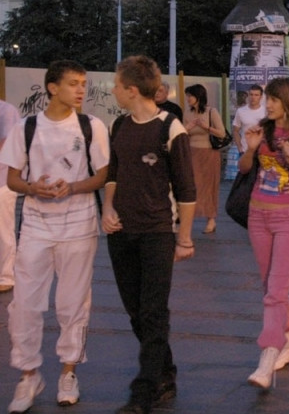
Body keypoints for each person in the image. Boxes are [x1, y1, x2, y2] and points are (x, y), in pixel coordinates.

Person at [1, 61, 110, 412]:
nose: (80, 90)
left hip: (79, 225)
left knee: (72, 303)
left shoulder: (92, 126)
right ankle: (29, 375)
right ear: (52, 87)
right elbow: (13, 178)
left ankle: (68, 371)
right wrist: (33, 188)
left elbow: (103, 174)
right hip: (35, 225)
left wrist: (73, 186)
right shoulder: (26, 127)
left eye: (83, 84)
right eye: (73, 84)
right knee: (25, 305)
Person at [103, 55, 197, 414]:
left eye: (115, 85)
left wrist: (184, 237)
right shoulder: (119, 126)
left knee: (154, 312)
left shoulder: (170, 129)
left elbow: (186, 190)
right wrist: (107, 208)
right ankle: (165, 372)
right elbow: (113, 173)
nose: (112, 90)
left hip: (158, 232)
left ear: (130, 90)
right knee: (136, 313)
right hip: (121, 233)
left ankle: (143, 393)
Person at [238, 78, 289, 391]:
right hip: (257, 215)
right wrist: (251, 148)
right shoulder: (264, 130)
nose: (267, 104)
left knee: (276, 288)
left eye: (273, 99)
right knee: (269, 285)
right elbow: (247, 169)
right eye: (267, 99)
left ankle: (268, 354)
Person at [184, 84, 226, 234]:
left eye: (190, 96)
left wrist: (206, 127)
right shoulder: (187, 113)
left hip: (208, 153)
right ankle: (188, 218)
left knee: (209, 186)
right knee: (192, 186)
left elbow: (221, 133)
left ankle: (211, 219)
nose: (188, 99)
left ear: (199, 97)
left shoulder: (211, 112)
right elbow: (181, 134)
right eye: (187, 96)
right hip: (192, 152)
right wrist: (187, 128)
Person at [0, 98, 21, 293]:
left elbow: (7, 143)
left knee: (3, 231)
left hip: (3, 180)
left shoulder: (6, 111)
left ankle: (6, 275)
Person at [232, 84, 266, 154]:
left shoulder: (266, 112)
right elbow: (235, 131)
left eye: (256, 95)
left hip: (261, 151)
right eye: (251, 94)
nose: (253, 97)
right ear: (248, 95)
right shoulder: (240, 111)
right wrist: (239, 148)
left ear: (261, 97)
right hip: (245, 150)